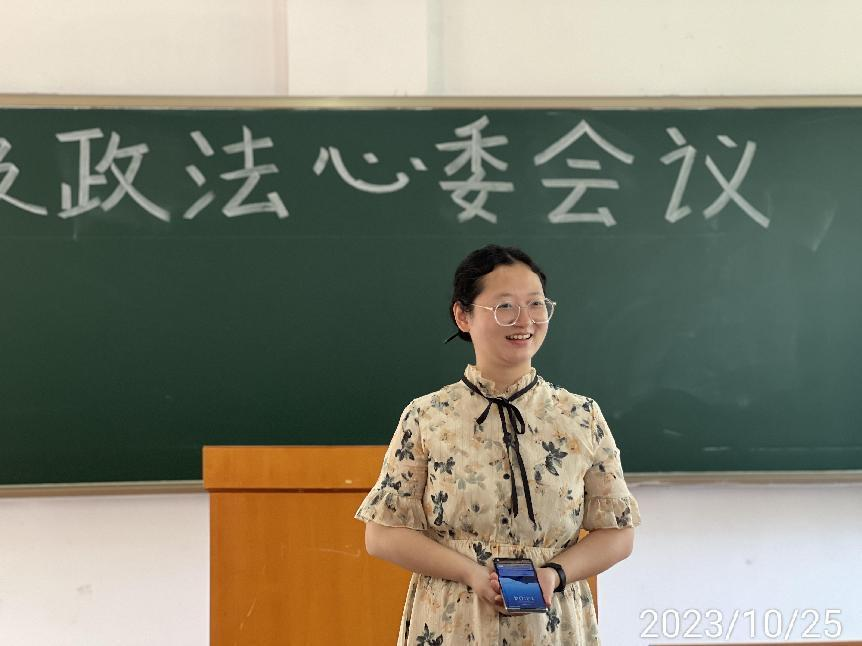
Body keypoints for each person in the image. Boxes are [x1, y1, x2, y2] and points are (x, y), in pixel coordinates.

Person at [355, 244, 640, 645]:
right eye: (505, 306)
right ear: (463, 315)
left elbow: (618, 534)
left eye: (536, 304)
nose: (525, 320)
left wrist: (554, 575)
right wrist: (471, 573)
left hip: (551, 621)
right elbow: (382, 535)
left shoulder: (580, 416)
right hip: (453, 620)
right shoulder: (427, 416)